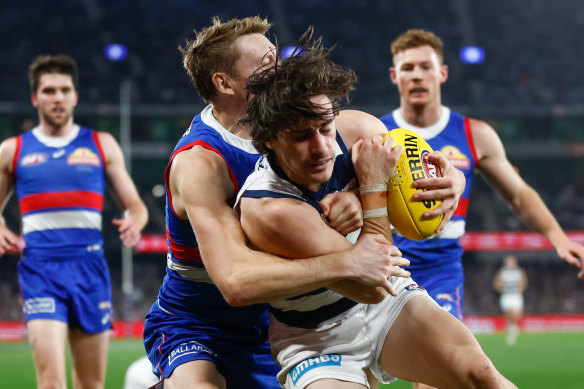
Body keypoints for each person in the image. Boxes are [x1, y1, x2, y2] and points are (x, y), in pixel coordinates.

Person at [142, 16, 421, 389]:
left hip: (281, 316)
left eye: (276, 56)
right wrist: (346, 261)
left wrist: (444, 179)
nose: (280, 69)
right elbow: (236, 281)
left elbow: (397, 167)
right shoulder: (201, 163)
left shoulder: (300, 126)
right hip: (201, 321)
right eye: (265, 64)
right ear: (223, 83)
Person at [236, 32, 515, 389]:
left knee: (483, 377)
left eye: (325, 127)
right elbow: (371, 282)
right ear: (269, 139)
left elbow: (423, 201)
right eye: (301, 136)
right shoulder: (269, 208)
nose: (321, 146)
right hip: (317, 340)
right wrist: (369, 188)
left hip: (391, 306)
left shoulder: (359, 130)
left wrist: (452, 182)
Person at [380, 29, 584, 317]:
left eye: (426, 67)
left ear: (443, 73)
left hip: (442, 269)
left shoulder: (475, 134)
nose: (416, 75)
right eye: (407, 68)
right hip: (387, 264)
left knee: (447, 358)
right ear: (393, 75)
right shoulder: (375, 132)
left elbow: (519, 195)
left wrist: (559, 237)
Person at [0, 54, 148, 389]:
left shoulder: (101, 144)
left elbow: (137, 206)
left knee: (90, 385)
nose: (58, 97)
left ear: (75, 96)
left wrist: (134, 222)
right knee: (51, 384)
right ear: (35, 97)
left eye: (65, 89)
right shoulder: (13, 149)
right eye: (49, 90)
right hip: (41, 269)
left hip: (89, 269)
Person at [493, 254, 528, 345]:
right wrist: (500, 287)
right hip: (507, 295)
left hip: (516, 295)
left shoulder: (519, 271)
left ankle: (511, 326)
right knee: (509, 314)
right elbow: (496, 283)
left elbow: (524, 282)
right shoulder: (502, 272)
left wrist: (521, 287)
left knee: (517, 314)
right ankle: (512, 328)